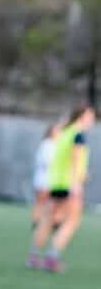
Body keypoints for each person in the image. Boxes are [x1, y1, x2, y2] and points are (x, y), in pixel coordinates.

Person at [29, 103, 94, 273]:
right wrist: (76, 183)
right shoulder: (78, 135)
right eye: (90, 116)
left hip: (55, 183)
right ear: (82, 116)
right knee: (72, 221)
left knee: (48, 219)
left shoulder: (65, 132)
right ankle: (52, 258)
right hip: (69, 184)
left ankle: (34, 256)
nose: (92, 120)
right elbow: (74, 159)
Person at [30, 117, 62, 225]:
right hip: (44, 180)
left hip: (51, 180)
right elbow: (47, 163)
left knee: (49, 204)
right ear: (51, 132)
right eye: (56, 130)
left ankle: (44, 223)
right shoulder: (47, 144)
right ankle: (36, 223)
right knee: (41, 202)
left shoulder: (57, 145)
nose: (59, 132)